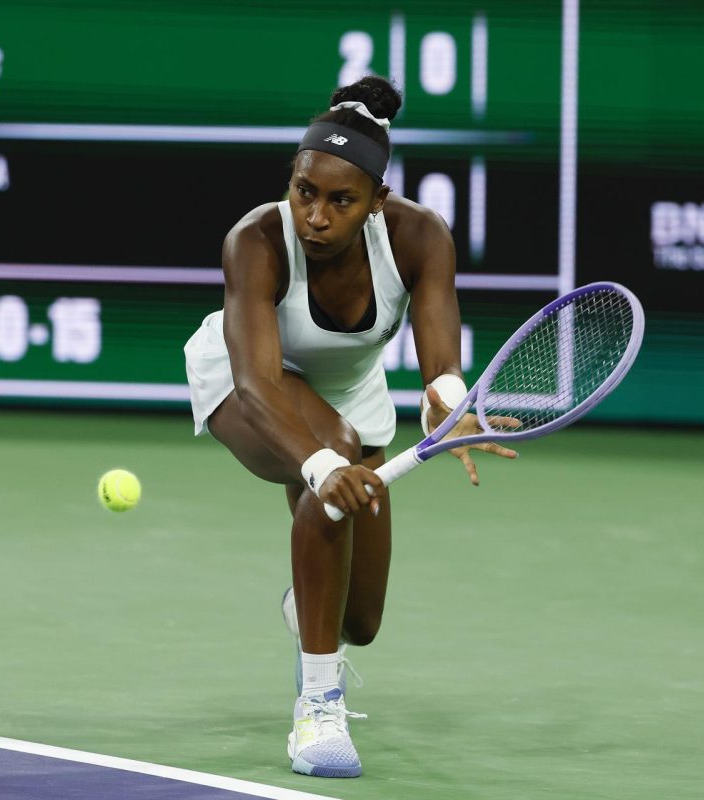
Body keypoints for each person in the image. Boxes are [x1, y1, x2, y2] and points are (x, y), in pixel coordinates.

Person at [183, 76, 517, 779]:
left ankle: (308, 605)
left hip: (351, 395)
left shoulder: (420, 238)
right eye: (304, 191)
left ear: (376, 202)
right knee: (332, 456)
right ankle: (318, 707)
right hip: (245, 381)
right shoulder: (255, 240)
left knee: (358, 621)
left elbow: (440, 365)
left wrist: (448, 401)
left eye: (341, 200)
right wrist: (320, 465)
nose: (316, 216)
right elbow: (260, 385)